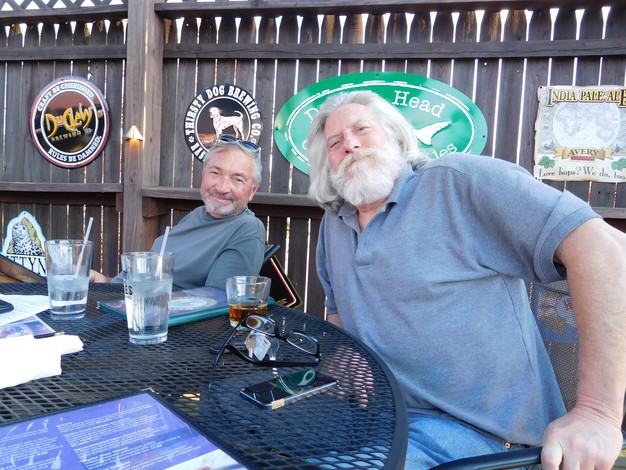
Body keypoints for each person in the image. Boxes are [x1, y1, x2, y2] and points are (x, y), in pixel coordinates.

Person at [306, 90, 626, 469]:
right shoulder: (334, 225)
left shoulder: (455, 183)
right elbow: (340, 313)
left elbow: (606, 249)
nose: (350, 144)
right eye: (335, 143)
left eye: (362, 129)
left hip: (486, 438)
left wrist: (598, 413)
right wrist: (348, 352)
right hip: (380, 419)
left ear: (397, 139)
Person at [90, 136, 266, 290]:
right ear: (203, 174)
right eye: (215, 173)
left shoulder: (248, 228)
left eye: (237, 179)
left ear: (253, 190)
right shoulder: (196, 215)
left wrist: (148, 299)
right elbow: (143, 283)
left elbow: (216, 301)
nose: (222, 187)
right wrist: (106, 283)